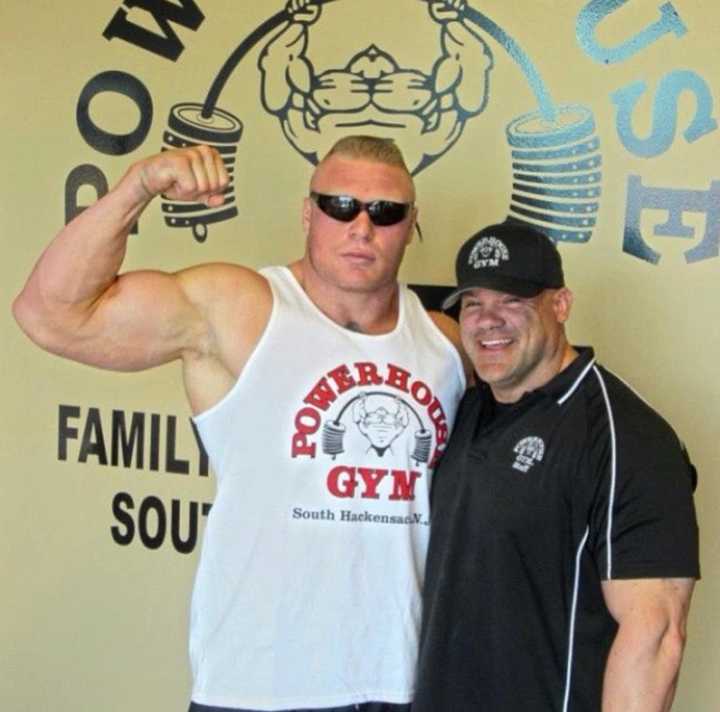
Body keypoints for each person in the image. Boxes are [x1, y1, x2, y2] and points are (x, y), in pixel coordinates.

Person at [12, 136, 467, 712]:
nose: (361, 227)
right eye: (339, 206)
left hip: (404, 682)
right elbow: (50, 314)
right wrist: (139, 185)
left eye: (385, 212)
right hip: (260, 682)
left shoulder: (446, 345)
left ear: (410, 224)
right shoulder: (240, 307)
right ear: (308, 212)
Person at [413, 222, 700, 712]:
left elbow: (655, 636)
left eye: (512, 301)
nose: (488, 320)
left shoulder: (625, 435)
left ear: (561, 305)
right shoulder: (464, 408)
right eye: (475, 303)